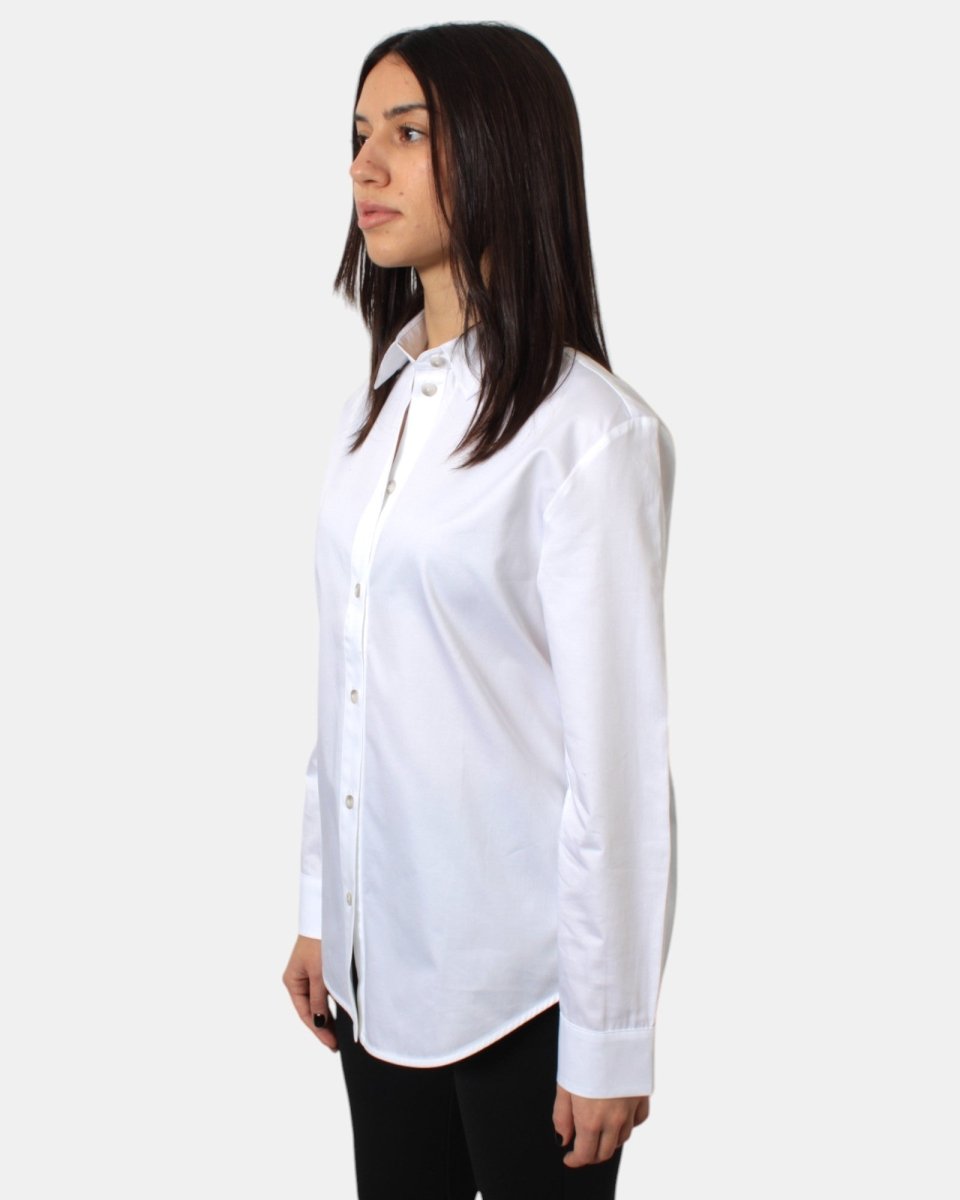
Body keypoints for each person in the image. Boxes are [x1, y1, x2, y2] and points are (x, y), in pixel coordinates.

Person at [281, 21, 678, 1200]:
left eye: (409, 134)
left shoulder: (586, 435)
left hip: (523, 991)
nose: (365, 166)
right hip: (381, 972)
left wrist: (610, 1034)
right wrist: (321, 909)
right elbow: (349, 681)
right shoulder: (375, 416)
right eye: (360, 134)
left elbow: (617, 761)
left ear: (506, 151)